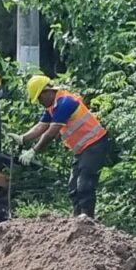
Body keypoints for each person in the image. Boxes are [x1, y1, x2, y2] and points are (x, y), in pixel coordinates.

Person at [11, 75, 110, 218]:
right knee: (73, 187)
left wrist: (33, 151)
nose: (39, 102)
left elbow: (51, 133)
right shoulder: (53, 107)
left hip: (95, 143)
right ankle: (77, 218)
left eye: (39, 98)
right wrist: (23, 139)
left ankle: (87, 218)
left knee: (85, 183)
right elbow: (41, 126)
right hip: (82, 148)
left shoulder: (65, 102)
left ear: (47, 92)